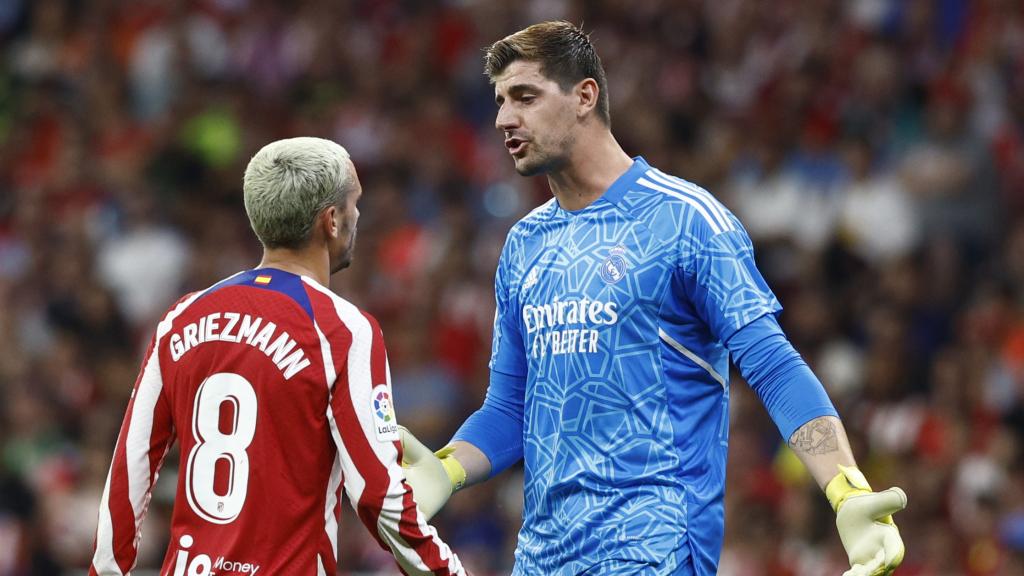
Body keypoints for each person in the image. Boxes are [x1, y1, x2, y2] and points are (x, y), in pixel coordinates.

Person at [399, 22, 906, 576]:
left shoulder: (686, 220)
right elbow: (508, 409)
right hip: (541, 558)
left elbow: (774, 367)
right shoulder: (524, 246)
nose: (503, 119)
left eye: (525, 96)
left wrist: (846, 489)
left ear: (584, 97)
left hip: (654, 550)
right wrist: (445, 468)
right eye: (499, 102)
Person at [89, 137, 465, 576]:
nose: (358, 215)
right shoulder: (342, 329)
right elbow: (377, 496)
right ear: (331, 220)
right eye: (355, 203)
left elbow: (131, 470)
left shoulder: (181, 318)